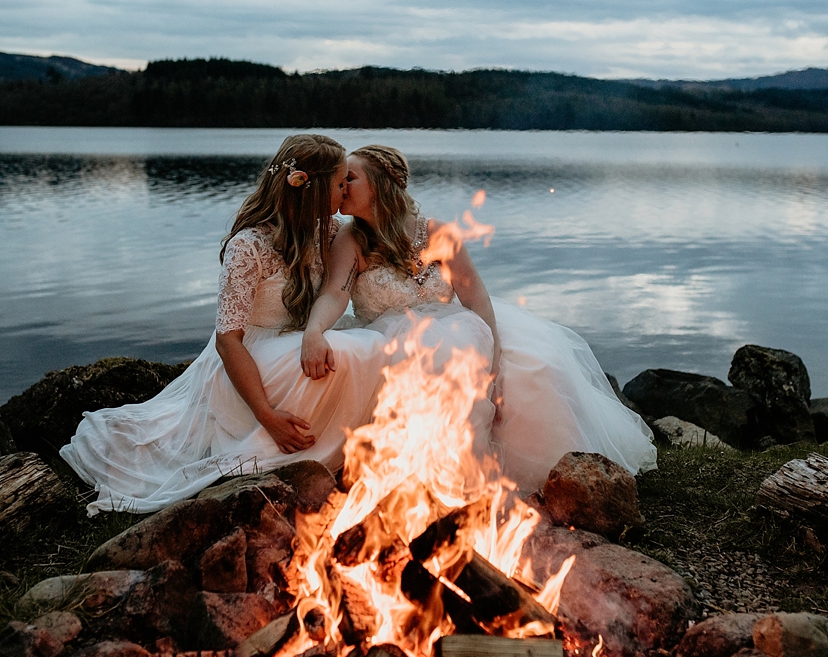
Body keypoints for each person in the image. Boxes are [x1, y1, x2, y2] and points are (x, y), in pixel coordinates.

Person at [61, 134, 388, 515]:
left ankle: (336, 452)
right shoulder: (248, 246)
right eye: (337, 184)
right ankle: (291, 446)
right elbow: (227, 341)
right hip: (249, 361)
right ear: (311, 189)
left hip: (296, 343)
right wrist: (267, 416)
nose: (343, 193)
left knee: (373, 345)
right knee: (349, 351)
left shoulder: (329, 233)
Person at [301, 144, 657, 494]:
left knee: (537, 367)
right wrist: (315, 329)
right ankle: (443, 481)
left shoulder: (439, 234)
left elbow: (476, 299)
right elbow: (335, 293)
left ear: (379, 184)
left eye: (350, 178)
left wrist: (494, 359)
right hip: (394, 338)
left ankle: (554, 476)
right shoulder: (351, 239)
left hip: (462, 326)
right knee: (437, 364)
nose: (341, 187)